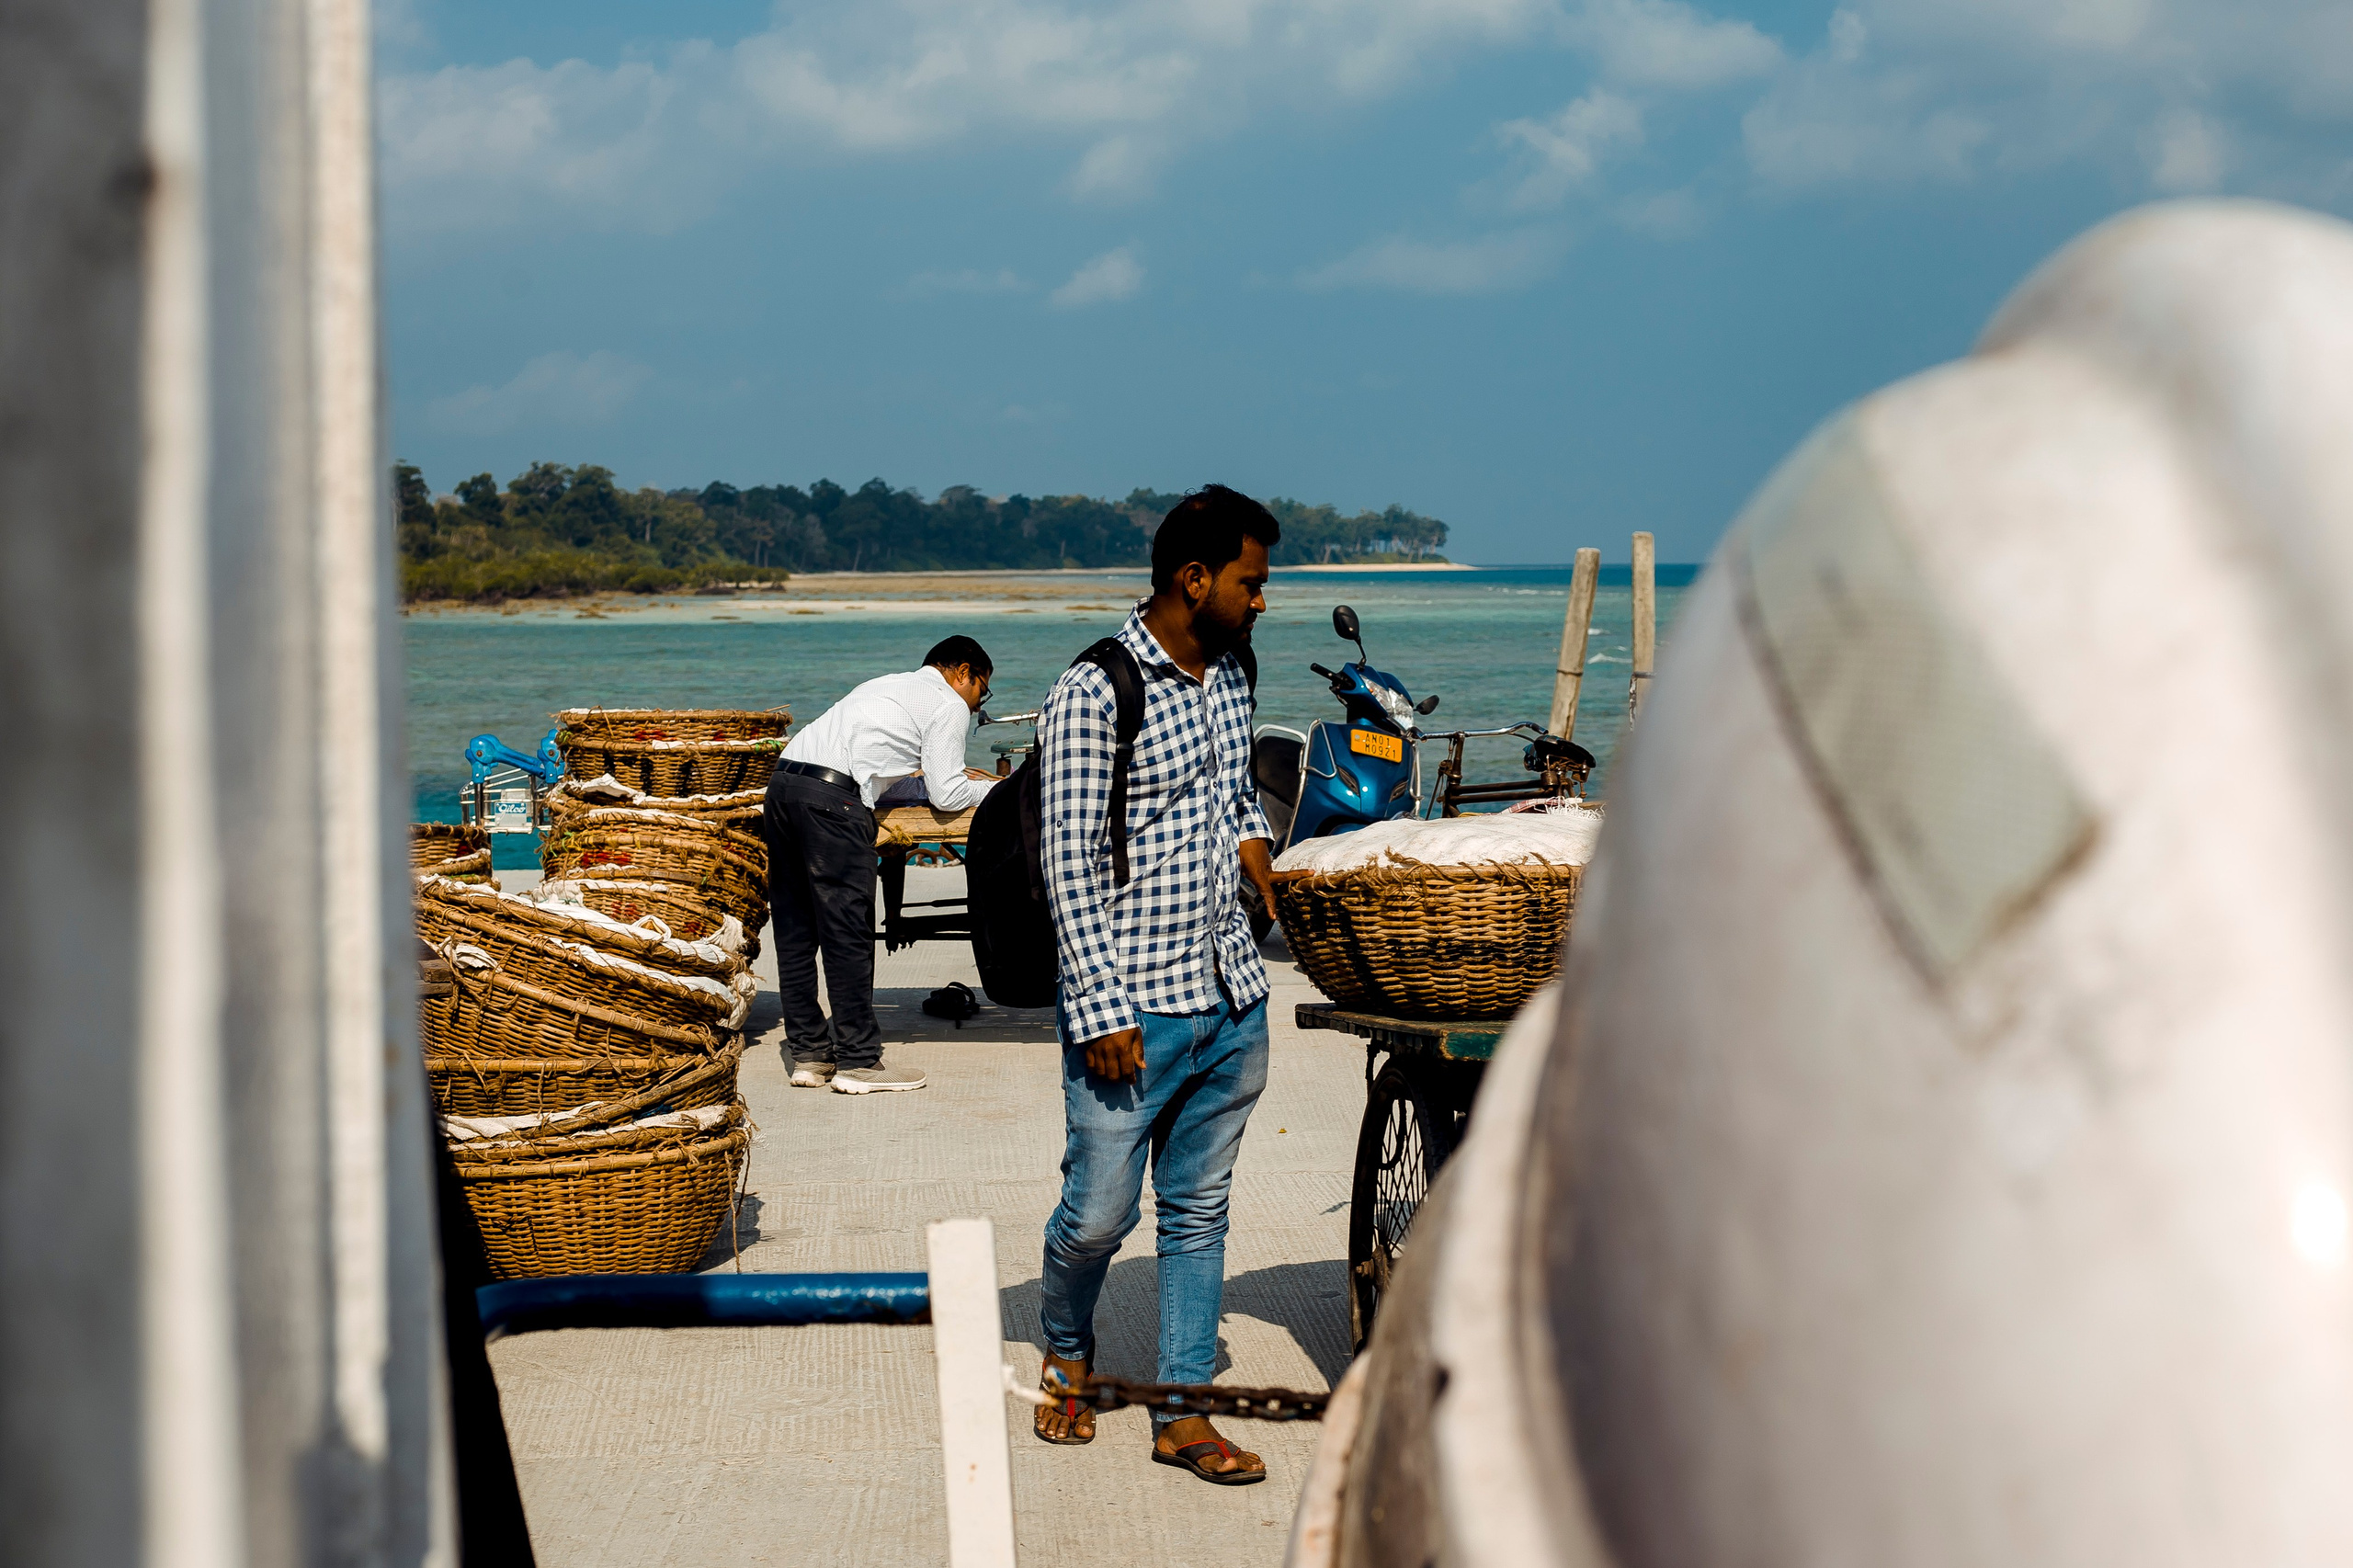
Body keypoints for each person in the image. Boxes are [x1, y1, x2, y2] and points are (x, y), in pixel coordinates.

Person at [1030, 485, 1282, 1483]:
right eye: (1249, 582)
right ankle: (1066, 1346)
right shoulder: (1094, 690)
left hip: (1231, 996)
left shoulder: (1235, 672)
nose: (1260, 599)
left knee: (1198, 1211)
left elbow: (1232, 797)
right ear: (1194, 578)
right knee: (1098, 1217)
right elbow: (1067, 860)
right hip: (1132, 1005)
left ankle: (1183, 1412)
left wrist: (1259, 852)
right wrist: (1099, 1008)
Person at [764, 635, 999, 1094]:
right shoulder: (949, 702)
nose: (976, 705)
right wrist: (1000, 788)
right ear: (963, 673)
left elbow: (878, 772)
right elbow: (949, 795)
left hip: (784, 787)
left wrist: (934, 782)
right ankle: (859, 1062)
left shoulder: (885, 685)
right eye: (981, 691)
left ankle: (809, 1055)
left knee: (795, 931)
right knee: (847, 933)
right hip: (833, 802)